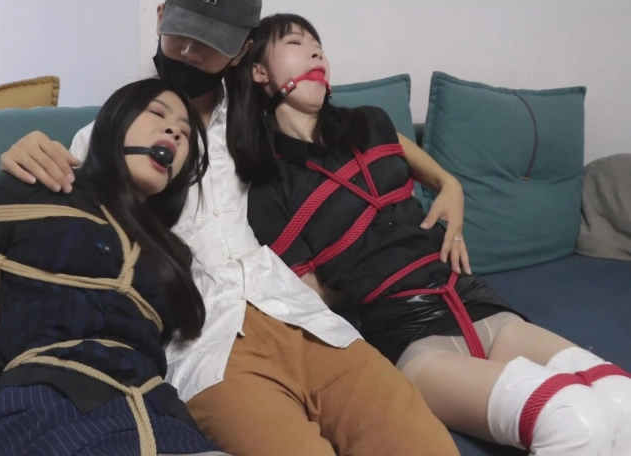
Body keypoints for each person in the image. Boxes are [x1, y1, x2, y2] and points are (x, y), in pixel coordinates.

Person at [0, 1, 463, 454]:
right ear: (160, 15)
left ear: (241, 51)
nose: (188, 52)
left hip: (306, 318)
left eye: (209, 44)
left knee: (422, 443)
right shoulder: (102, 139)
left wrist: (446, 180)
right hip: (206, 349)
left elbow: (357, 130)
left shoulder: (259, 117)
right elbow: (55, 246)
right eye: (181, 32)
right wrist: (20, 325)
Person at [227, 13, 631, 455]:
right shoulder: (266, 185)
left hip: (474, 299)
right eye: (295, 42)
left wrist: (451, 187)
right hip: (407, 334)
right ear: (259, 71)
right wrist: (363, 264)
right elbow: (307, 297)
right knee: (573, 418)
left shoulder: (369, 124)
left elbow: (433, 173)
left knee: (622, 399)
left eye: (318, 44)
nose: (316, 51)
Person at [0, 78, 230, 456]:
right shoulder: (30, 192)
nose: (174, 131)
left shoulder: (171, 255)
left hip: (164, 422)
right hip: (49, 414)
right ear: (114, 121)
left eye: (185, 133)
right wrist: (14, 357)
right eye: (157, 113)